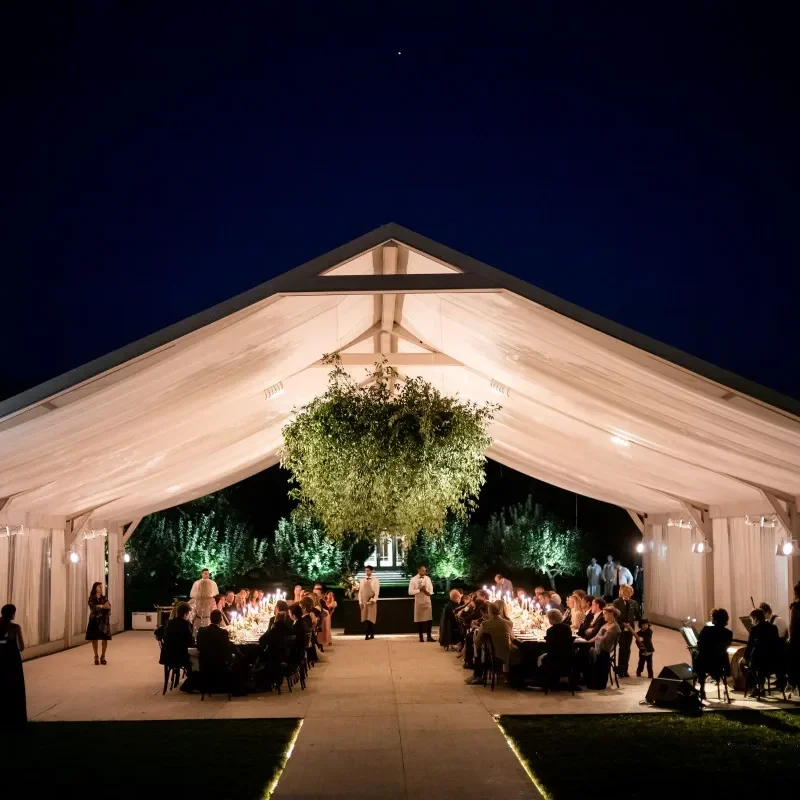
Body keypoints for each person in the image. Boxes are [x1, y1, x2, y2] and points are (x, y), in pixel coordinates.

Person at [466, 601, 515, 685]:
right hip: (507, 653)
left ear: (489, 612)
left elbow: (477, 642)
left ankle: (477, 676)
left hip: (492, 655)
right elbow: (513, 639)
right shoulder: (509, 623)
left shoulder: (485, 624)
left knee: (478, 649)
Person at [695, 608, 733, 699]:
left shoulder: (707, 630)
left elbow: (699, 644)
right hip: (721, 664)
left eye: (712, 617)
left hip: (706, 663)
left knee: (698, 657)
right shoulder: (729, 633)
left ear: (715, 619)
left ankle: (702, 689)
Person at [743, 607, 780, 697]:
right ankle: (760, 686)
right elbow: (776, 643)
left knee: (745, 664)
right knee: (760, 664)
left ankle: (757, 687)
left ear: (755, 618)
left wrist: (745, 657)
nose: (751, 621)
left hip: (760, 662)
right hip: (773, 661)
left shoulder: (754, 629)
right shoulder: (773, 627)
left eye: (752, 619)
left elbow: (750, 645)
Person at [0, 603, 26, 725]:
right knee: (14, 689)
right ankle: (15, 719)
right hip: (12, 661)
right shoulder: (15, 628)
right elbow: (21, 647)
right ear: (12, 614)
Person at [195, 609, 234, 692]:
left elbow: (198, 647)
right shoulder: (223, 633)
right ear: (220, 620)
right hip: (220, 664)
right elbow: (226, 649)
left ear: (210, 618)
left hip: (204, 663)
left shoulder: (201, 631)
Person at [539, 608, 574, 686]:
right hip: (567, 658)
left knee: (539, 656)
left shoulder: (550, 631)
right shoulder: (567, 628)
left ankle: (542, 681)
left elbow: (549, 648)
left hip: (553, 659)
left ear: (551, 619)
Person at [613, 584, 640, 677]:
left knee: (627, 649)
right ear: (621, 592)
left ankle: (625, 669)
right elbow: (614, 616)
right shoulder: (616, 602)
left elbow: (638, 616)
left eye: (628, 593)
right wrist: (622, 624)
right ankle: (620, 670)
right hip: (620, 629)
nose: (626, 594)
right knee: (622, 649)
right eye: (624, 592)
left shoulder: (634, 603)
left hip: (630, 629)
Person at [160, 602, 194, 674]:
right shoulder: (185, 624)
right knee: (195, 658)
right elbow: (190, 641)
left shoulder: (169, 622)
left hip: (167, 655)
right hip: (178, 655)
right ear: (185, 614)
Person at [86, 581, 112, 665]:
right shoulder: (91, 598)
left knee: (105, 639)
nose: (101, 588)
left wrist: (101, 607)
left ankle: (103, 656)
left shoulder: (104, 598)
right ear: (95, 588)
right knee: (94, 638)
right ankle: (96, 656)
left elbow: (108, 607)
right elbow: (92, 607)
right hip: (94, 620)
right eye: (99, 587)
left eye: (101, 586)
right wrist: (102, 606)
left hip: (103, 621)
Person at [409, 565, 435, 642]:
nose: (424, 572)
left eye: (425, 570)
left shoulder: (428, 578)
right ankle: (421, 637)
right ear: (419, 570)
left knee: (429, 619)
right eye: (423, 570)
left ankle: (429, 636)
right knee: (419, 620)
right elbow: (410, 592)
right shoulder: (413, 579)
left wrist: (426, 591)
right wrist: (419, 590)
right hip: (419, 602)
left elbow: (431, 590)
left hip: (427, 601)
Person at [358, 566, 379, 640]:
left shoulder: (375, 580)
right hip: (364, 601)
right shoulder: (362, 580)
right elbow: (360, 592)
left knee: (371, 618)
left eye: (368, 570)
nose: (367, 572)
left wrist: (373, 600)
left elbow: (377, 592)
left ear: (371, 571)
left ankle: (371, 633)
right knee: (365, 618)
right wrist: (360, 602)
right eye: (366, 570)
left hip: (371, 601)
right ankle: (367, 634)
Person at [787, 581, 800, 692]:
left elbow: (792, 625)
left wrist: (790, 638)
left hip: (797, 639)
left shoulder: (795, 607)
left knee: (796, 663)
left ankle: (794, 685)